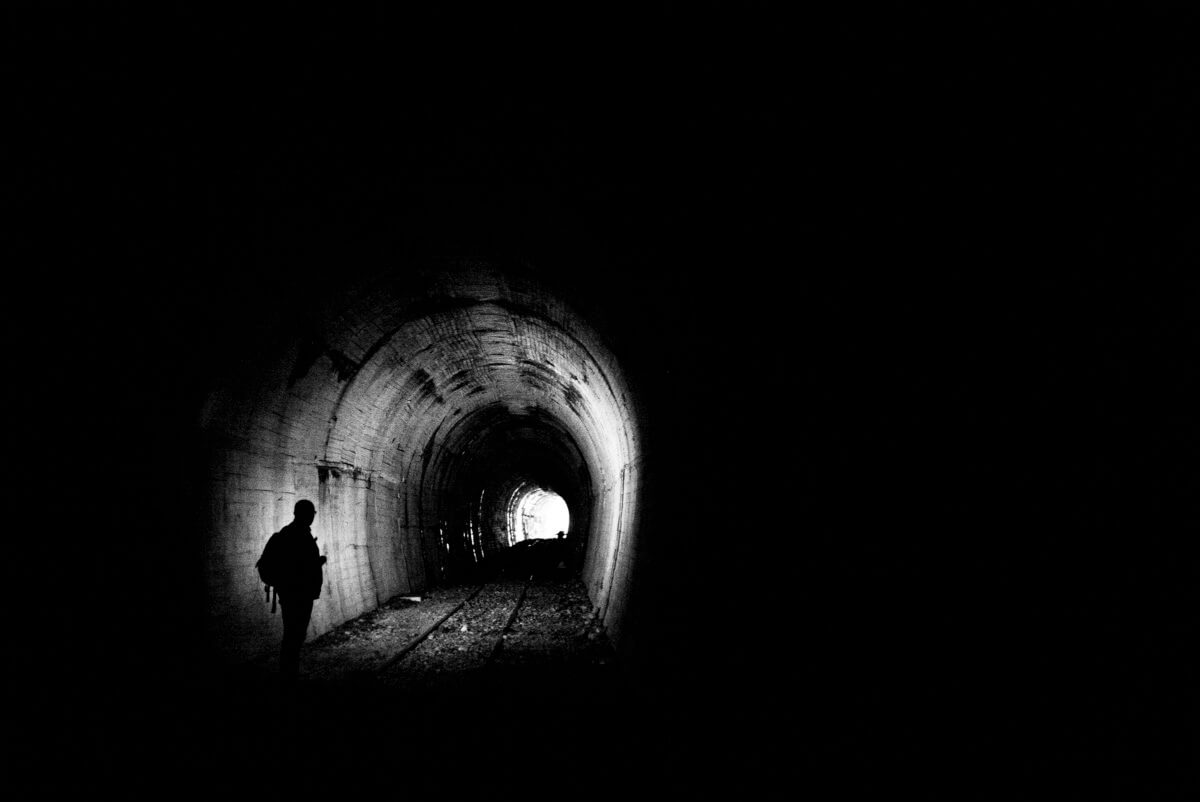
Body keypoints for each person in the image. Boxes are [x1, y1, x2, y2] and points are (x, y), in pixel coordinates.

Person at [260, 499, 326, 684]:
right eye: (312, 512)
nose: (313, 516)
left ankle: (289, 675)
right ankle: (288, 677)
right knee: (294, 637)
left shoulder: (288, 533)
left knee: (293, 635)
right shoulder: (300, 535)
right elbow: (300, 567)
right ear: (306, 514)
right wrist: (317, 563)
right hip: (299, 595)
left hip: (289, 594)